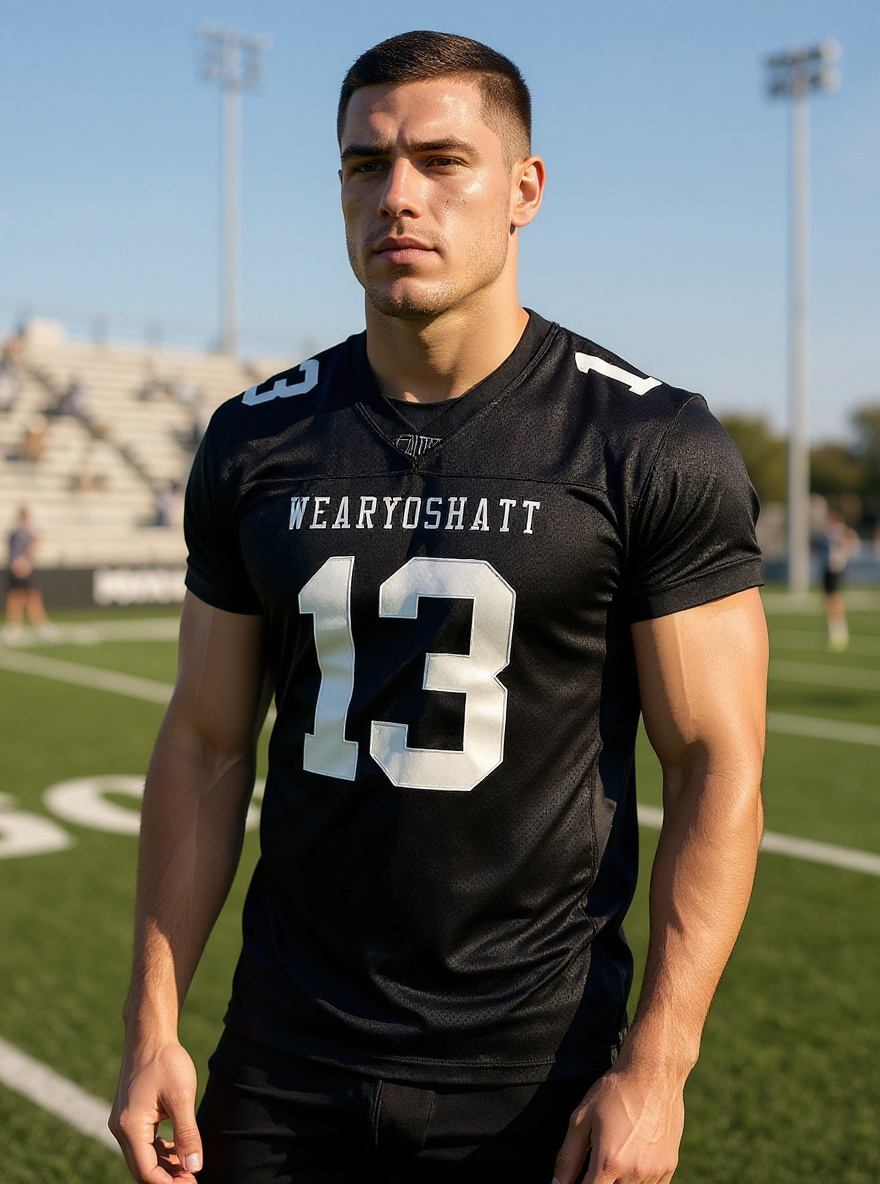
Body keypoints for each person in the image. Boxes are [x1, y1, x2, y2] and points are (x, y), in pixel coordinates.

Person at [110, 30, 768, 1184]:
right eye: (365, 167)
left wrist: (657, 1066)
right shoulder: (256, 438)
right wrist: (153, 1022)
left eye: (440, 160)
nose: (397, 197)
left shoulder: (646, 440)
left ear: (524, 189)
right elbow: (207, 742)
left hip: (536, 1066)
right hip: (283, 1055)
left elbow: (716, 759)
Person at [3, 507, 55, 642]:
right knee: (16, 597)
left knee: (32, 596)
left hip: (27, 569)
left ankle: (40, 625)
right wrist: (18, 563)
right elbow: (13, 552)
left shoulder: (28, 533)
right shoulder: (16, 534)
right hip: (18, 569)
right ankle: (14, 626)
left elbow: (35, 546)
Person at [817, 508, 860, 651]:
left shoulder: (839, 532)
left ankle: (838, 630)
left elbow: (849, 546)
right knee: (830, 598)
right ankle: (835, 629)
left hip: (835, 568)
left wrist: (841, 558)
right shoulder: (837, 533)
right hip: (832, 568)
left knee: (833, 598)